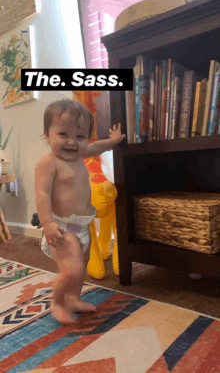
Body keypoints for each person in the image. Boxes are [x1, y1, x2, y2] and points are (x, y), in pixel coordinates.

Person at [35, 98, 126, 324]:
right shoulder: (48, 163)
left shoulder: (80, 155)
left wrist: (112, 141)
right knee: (71, 269)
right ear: (47, 134)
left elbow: (97, 146)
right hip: (61, 225)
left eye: (80, 136)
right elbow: (42, 194)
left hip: (81, 225)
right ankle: (57, 302)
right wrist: (46, 223)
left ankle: (73, 299)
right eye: (63, 134)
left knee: (81, 268)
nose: (72, 142)